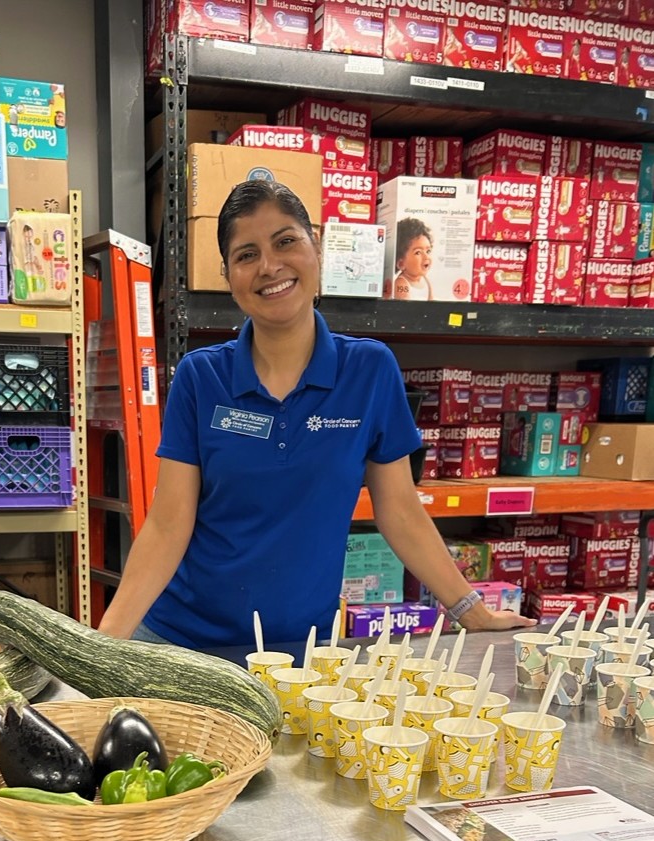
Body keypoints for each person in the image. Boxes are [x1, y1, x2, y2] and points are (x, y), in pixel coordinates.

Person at [98, 180, 536, 649]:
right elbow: (167, 525)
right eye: (247, 255)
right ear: (228, 276)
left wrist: (472, 611)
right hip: (183, 641)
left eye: (285, 241)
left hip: (301, 651)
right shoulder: (201, 377)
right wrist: (100, 648)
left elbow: (400, 511)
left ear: (318, 248)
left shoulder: (368, 371)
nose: (269, 266)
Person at [393, 217, 433, 301]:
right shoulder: (402, 283)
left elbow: (432, 303)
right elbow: (404, 307)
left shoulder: (426, 280)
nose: (426, 257)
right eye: (418, 253)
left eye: (428, 251)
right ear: (401, 264)